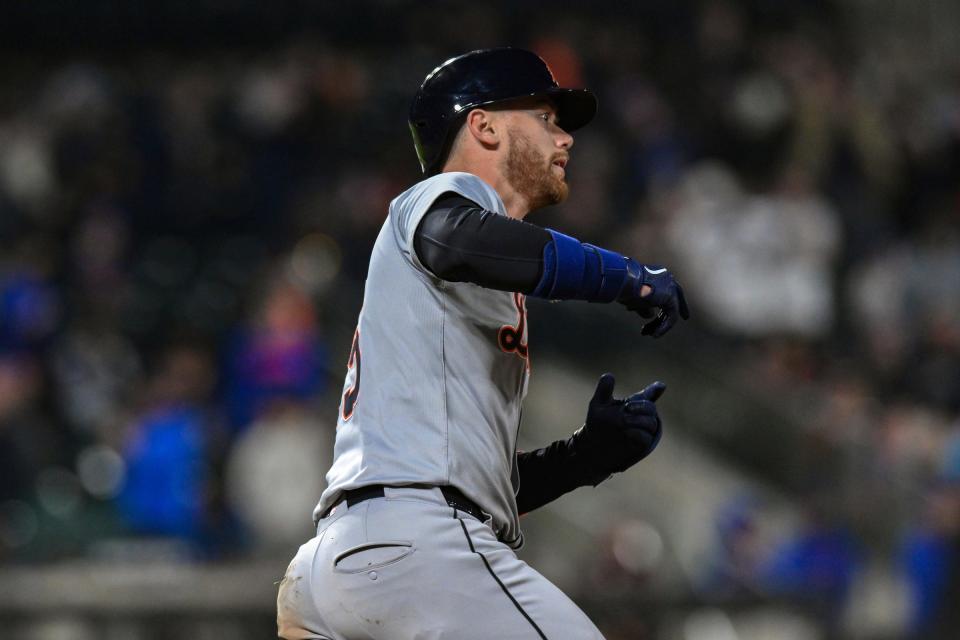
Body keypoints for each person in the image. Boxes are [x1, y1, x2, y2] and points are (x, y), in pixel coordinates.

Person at [277, 48, 689, 639]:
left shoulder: (457, 294)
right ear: (484, 124)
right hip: (413, 548)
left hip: (347, 561)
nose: (565, 138)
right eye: (546, 117)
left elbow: (465, 479)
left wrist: (582, 458)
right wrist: (626, 277)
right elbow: (456, 239)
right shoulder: (437, 200)